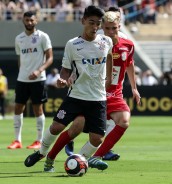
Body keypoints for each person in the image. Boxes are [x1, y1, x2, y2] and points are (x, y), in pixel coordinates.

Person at [39, 10, 140, 172]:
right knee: (75, 128)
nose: (111, 32)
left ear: (119, 26)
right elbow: (81, 63)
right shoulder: (98, 41)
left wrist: (134, 88)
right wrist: (69, 77)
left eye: (114, 28)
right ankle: (50, 156)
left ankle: (88, 158)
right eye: (107, 28)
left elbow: (129, 64)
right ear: (102, 28)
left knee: (121, 122)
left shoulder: (127, 44)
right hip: (88, 94)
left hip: (112, 94)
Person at [24, 5, 113, 172]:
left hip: (97, 98)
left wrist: (109, 78)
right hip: (76, 95)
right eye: (91, 22)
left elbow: (109, 58)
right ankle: (42, 152)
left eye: (98, 24)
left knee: (97, 138)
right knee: (56, 127)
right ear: (83, 21)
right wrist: (62, 80)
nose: (95, 27)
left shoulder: (106, 41)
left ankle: (79, 160)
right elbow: (66, 69)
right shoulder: (73, 44)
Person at [64, 6, 129, 161]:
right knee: (83, 119)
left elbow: (126, 62)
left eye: (117, 20)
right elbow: (79, 55)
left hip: (107, 86)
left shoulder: (124, 39)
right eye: (109, 22)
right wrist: (72, 76)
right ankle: (70, 140)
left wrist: (129, 85)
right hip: (87, 84)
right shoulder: (97, 34)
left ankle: (102, 150)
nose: (113, 26)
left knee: (111, 120)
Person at [7, 11, 53, 149]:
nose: (29, 23)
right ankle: (17, 140)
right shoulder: (18, 38)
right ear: (23, 21)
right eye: (27, 20)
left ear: (36, 21)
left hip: (38, 79)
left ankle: (39, 141)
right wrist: (22, 72)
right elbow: (20, 58)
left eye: (32, 20)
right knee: (17, 108)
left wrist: (39, 71)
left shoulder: (43, 36)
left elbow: (50, 58)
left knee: (37, 109)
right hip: (22, 79)